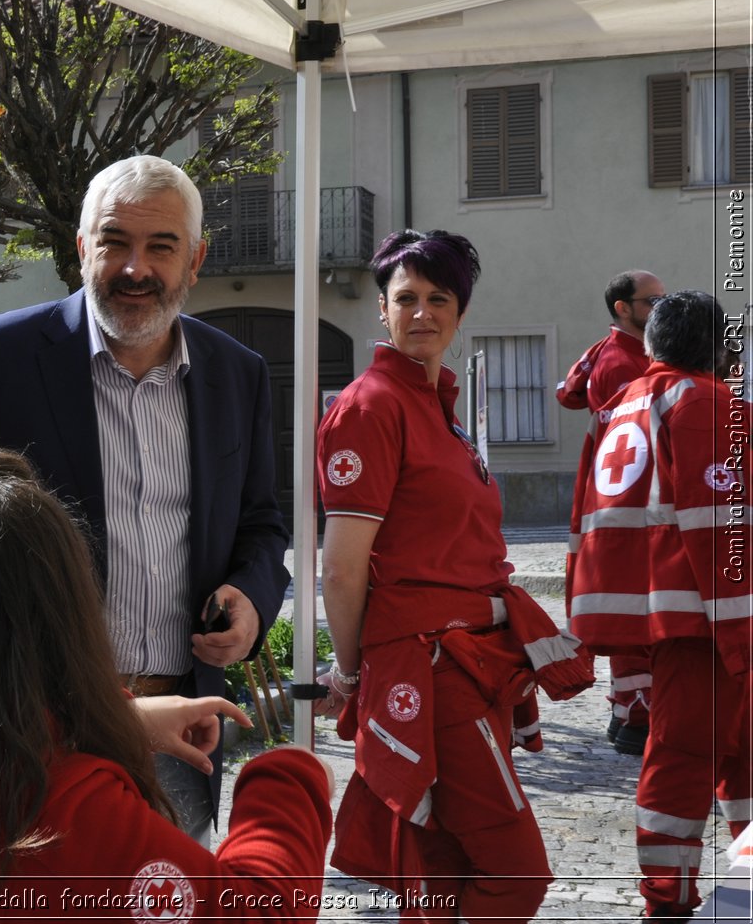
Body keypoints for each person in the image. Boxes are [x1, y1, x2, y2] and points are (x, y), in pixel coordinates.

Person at [0, 154, 289, 840]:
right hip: (32, 735)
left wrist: (251, 596)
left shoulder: (237, 374)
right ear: (83, 246)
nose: (134, 267)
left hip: (180, 728)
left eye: (161, 247)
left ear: (196, 259)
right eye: (114, 241)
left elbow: (263, 525)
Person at [0, 449, 333, 920]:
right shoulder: (62, 811)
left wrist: (121, 717)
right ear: (63, 619)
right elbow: (260, 910)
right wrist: (287, 777)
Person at [313, 229, 592, 923]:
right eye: (405, 297)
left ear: (460, 314)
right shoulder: (371, 404)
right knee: (516, 872)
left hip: (476, 661)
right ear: (381, 308)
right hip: (428, 665)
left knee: (441, 871)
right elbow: (342, 568)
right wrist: (351, 674)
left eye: (439, 298)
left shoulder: (444, 410)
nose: (422, 311)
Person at [567, 290, 750, 920]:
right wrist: (743, 632)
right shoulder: (708, 403)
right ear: (715, 344)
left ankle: (726, 884)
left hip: (663, 613)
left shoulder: (621, 403)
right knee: (689, 759)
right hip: (709, 620)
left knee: (731, 753)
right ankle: (669, 901)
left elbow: (584, 519)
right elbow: (719, 523)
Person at [557, 268, 668, 755]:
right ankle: (637, 715)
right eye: (652, 302)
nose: (660, 310)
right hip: (630, 501)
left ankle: (627, 711)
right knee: (635, 613)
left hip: (616, 499)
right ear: (623, 308)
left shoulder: (614, 354)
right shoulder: (626, 362)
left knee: (630, 608)